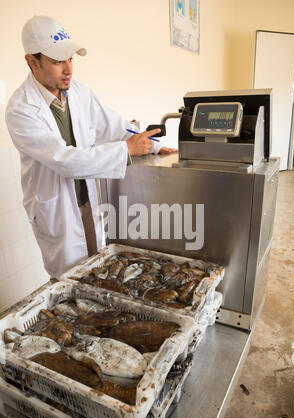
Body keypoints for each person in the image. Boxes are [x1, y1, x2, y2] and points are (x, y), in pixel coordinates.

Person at [5, 15, 176, 280]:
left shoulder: (80, 93)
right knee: (67, 279)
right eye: (57, 61)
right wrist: (126, 150)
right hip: (56, 208)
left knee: (97, 267)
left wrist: (153, 144)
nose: (68, 69)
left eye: (70, 59)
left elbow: (117, 126)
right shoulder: (21, 109)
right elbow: (65, 161)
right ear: (32, 61)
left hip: (87, 198)